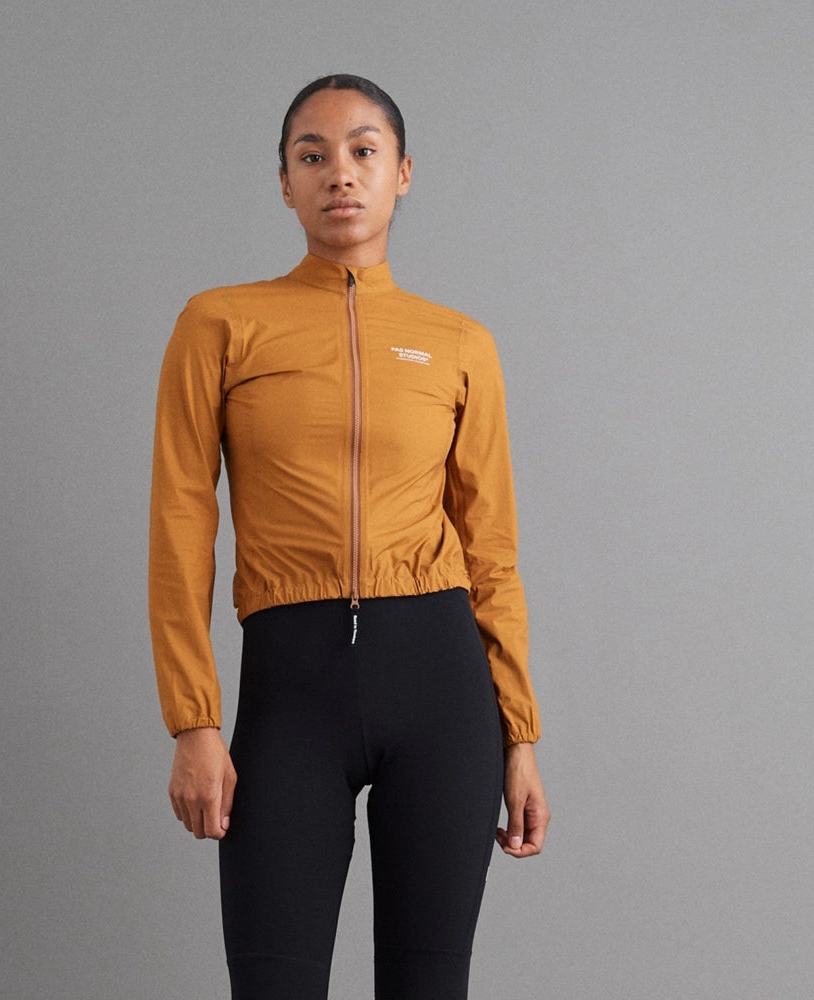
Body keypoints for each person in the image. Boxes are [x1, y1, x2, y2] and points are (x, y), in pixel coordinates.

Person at [149, 73, 549, 1000]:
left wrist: (520, 736)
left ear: (402, 174)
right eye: (313, 154)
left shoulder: (459, 342)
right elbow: (180, 520)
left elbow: (491, 550)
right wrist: (194, 719)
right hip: (291, 692)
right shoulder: (221, 323)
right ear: (284, 183)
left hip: (443, 689)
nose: (340, 173)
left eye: (365, 151)